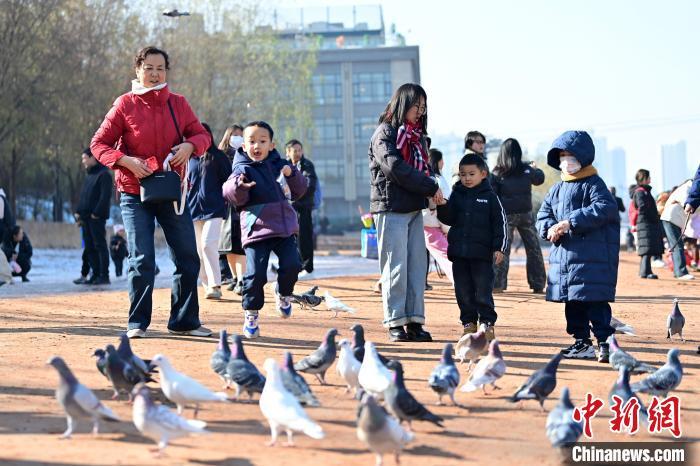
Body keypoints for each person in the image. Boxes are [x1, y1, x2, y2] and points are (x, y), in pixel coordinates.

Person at [90, 46, 212, 339]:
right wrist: (125, 160)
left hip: (171, 191)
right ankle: (137, 322)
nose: (155, 73)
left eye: (160, 68)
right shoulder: (124, 104)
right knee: (142, 258)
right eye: (149, 68)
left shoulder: (179, 104)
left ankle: (184, 321)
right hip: (134, 192)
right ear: (138, 70)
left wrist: (190, 146)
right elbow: (99, 144)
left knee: (186, 254)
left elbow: (203, 135)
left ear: (166, 72)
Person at [369, 83, 442, 342]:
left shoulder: (416, 136)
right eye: (416, 106)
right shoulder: (384, 133)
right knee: (395, 266)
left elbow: (423, 169)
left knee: (416, 267)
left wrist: (432, 188)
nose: (420, 112)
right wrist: (429, 186)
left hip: (413, 208)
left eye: (423, 108)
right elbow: (394, 168)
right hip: (390, 208)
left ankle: (414, 321)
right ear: (403, 103)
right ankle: (395, 321)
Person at [536, 130, 618, 363]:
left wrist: (570, 222)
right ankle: (582, 343)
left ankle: (605, 343)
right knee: (572, 303)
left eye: (570, 155)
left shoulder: (594, 183)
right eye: (562, 155)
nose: (566, 160)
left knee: (594, 302)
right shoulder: (557, 189)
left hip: (591, 258)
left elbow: (604, 208)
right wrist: (549, 227)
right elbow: (543, 214)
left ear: (583, 157)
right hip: (566, 259)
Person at [222, 121, 306, 339]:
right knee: (255, 276)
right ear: (243, 146)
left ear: (271, 144)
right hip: (256, 229)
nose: (256, 146)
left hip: (283, 227)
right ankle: (251, 314)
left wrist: (291, 174)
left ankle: (283, 294)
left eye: (262, 141)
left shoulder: (281, 164)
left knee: (293, 264)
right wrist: (239, 186)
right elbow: (229, 192)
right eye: (251, 141)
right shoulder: (242, 168)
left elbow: (300, 190)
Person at [436, 154, 507, 339]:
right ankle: (469, 323)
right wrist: (443, 205)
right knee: (463, 292)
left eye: (471, 174)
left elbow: (500, 224)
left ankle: (487, 324)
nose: (466, 178)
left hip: (482, 256)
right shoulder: (456, 194)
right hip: (459, 255)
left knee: (483, 292)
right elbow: (448, 218)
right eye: (462, 174)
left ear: (483, 174)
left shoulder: (491, 197)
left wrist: (500, 247)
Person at [492, 138, 546, 294]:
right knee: (534, 248)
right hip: (526, 214)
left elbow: (493, 194)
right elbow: (539, 179)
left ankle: (497, 284)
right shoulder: (526, 170)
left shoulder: (497, 172)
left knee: (503, 249)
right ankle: (538, 284)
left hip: (506, 216)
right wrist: (536, 169)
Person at [188, 123, 233, 300]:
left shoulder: (218, 157)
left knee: (208, 244)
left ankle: (215, 284)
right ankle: (207, 285)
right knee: (197, 250)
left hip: (214, 209)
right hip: (192, 209)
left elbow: (229, 182)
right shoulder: (188, 158)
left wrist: (226, 202)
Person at [75, 148, 113, 285]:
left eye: (85, 158)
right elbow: (84, 196)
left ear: (93, 158)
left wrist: (96, 214)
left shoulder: (104, 175)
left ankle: (104, 275)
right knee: (89, 247)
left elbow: (105, 197)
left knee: (100, 246)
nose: (83, 161)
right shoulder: (89, 175)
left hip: (96, 218)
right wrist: (78, 212)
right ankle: (95, 275)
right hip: (85, 219)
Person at [218, 124, 247, 295]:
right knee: (226, 245)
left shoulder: (246, 155)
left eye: (241, 135)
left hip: (241, 204)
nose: (238, 137)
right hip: (224, 204)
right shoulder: (221, 156)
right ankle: (235, 278)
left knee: (240, 243)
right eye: (235, 134)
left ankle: (243, 280)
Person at [285, 139, 318, 277]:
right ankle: (296, 266)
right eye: (294, 150)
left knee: (304, 237)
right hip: (288, 208)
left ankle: (308, 268)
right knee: (290, 238)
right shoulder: (285, 166)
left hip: (303, 207)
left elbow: (310, 185)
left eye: (299, 150)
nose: (298, 153)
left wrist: (295, 197)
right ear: (288, 152)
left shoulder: (307, 165)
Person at [422, 148, 453, 284]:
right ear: (438, 161)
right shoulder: (439, 181)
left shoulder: (423, 178)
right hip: (432, 224)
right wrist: (447, 229)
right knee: (447, 255)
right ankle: (461, 281)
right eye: (442, 160)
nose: (443, 163)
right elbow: (444, 207)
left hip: (420, 221)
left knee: (413, 257)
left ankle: (385, 281)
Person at [632, 169, 665, 279]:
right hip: (646, 223)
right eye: (648, 177)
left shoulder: (643, 191)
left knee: (647, 248)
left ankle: (645, 271)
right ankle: (645, 272)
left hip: (646, 223)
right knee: (647, 249)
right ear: (644, 178)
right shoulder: (640, 192)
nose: (650, 179)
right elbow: (642, 207)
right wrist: (653, 216)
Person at [660, 180, 695, 280]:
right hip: (671, 218)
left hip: (673, 219)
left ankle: (678, 271)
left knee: (676, 245)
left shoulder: (690, 187)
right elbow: (687, 202)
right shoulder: (688, 187)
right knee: (677, 245)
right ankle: (681, 272)